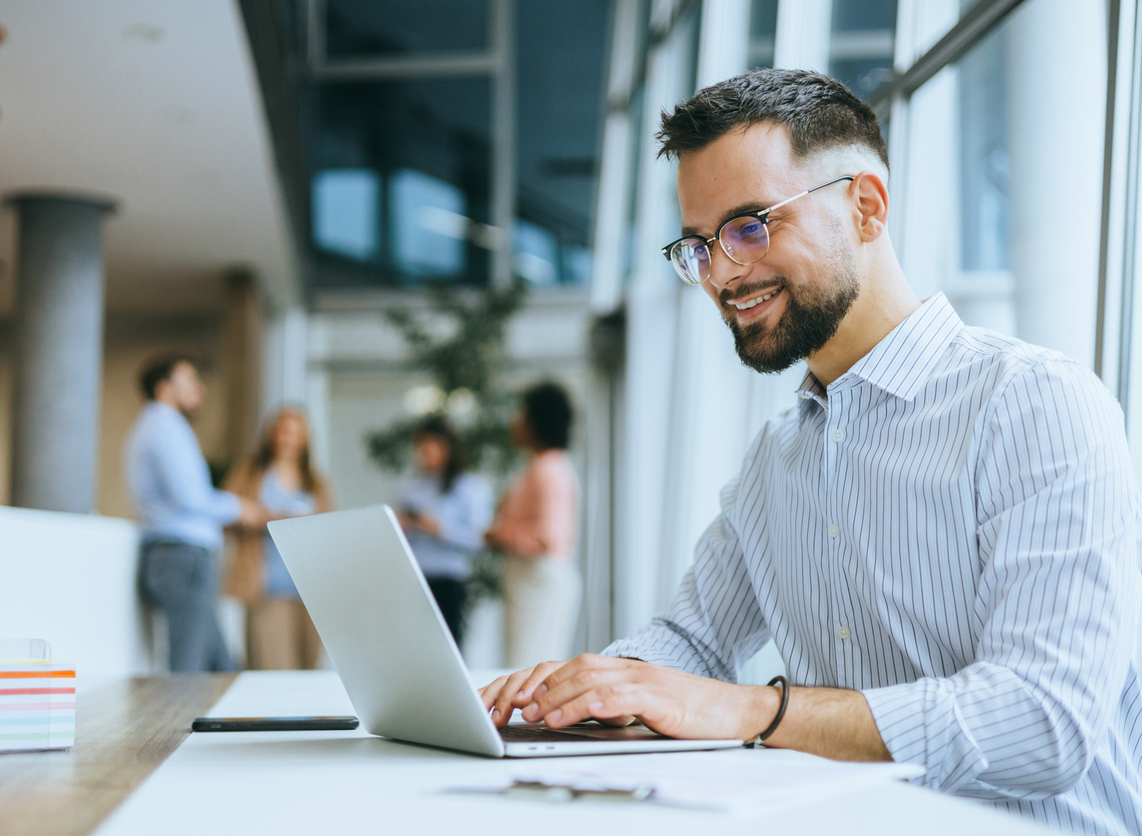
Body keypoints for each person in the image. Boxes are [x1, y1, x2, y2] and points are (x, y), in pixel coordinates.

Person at [479, 69, 1142, 835]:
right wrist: (574, 692)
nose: (722, 273)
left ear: (866, 207)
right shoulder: (780, 454)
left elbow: (1040, 722)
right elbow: (692, 641)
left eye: (752, 224)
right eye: (699, 245)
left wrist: (751, 709)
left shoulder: (1034, 406)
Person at [125, 356, 263, 672]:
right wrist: (240, 508)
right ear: (163, 389)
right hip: (181, 556)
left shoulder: (159, 427)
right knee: (189, 669)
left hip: (181, 556)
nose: (200, 389)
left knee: (220, 666)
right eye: (189, 382)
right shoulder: (164, 427)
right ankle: (177, 724)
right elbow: (190, 497)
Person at [224, 407, 333, 670]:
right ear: (271, 434)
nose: (288, 438)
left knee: (307, 669)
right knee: (273, 669)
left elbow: (329, 531)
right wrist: (265, 517)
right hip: (267, 588)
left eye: (296, 432)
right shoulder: (249, 474)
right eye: (283, 430)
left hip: (308, 591)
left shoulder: (316, 482)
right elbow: (226, 514)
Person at [486, 382, 580, 668]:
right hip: (530, 580)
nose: (516, 422)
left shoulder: (548, 469)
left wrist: (498, 533)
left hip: (538, 581)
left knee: (528, 666)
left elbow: (547, 537)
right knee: (525, 663)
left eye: (523, 415)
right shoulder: (542, 466)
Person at [397, 416, 493, 645]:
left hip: (449, 582)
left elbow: (480, 540)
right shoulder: (412, 489)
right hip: (415, 580)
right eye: (420, 448)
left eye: (431, 447)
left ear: (447, 448)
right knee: (415, 648)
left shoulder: (471, 488)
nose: (424, 454)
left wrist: (440, 529)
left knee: (449, 647)